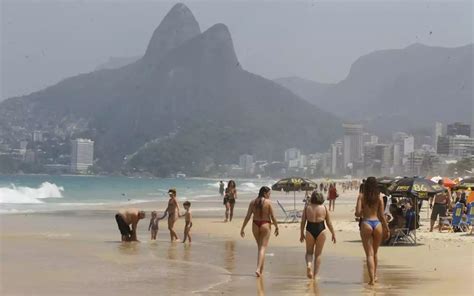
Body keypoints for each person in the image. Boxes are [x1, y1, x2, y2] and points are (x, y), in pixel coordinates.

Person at [355, 177, 389, 285]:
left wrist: (363, 211)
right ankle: (374, 276)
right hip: (377, 223)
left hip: (366, 223)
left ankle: (371, 280)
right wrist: (386, 228)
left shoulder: (361, 197)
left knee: (369, 254)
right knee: (375, 253)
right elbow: (382, 215)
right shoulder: (379, 197)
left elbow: (357, 213)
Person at [240, 186, 279, 277]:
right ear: (265, 193)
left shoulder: (253, 202)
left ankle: (261, 271)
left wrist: (242, 228)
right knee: (263, 248)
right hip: (265, 224)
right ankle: (258, 269)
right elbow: (273, 217)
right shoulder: (268, 202)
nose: (270, 195)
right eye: (269, 193)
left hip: (255, 225)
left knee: (260, 248)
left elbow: (248, 216)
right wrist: (277, 227)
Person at [300, 191, 336, 279]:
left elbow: (303, 222)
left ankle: (309, 265)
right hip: (321, 229)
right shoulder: (324, 208)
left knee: (309, 252)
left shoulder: (307, 208)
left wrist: (301, 233)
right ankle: (315, 276)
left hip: (309, 229)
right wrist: (333, 233)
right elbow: (329, 222)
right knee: (318, 254)